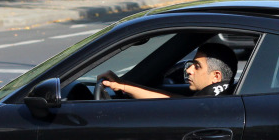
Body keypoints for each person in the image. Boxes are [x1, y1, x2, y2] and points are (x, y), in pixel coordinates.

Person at [100, 43, 236, 99]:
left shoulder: (212, 104)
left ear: (216, 76)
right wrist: (124, 85)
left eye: (197, 66)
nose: (189, 70)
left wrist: (123, 86)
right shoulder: (218, 97)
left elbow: (175, 103)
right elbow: (174, 100)